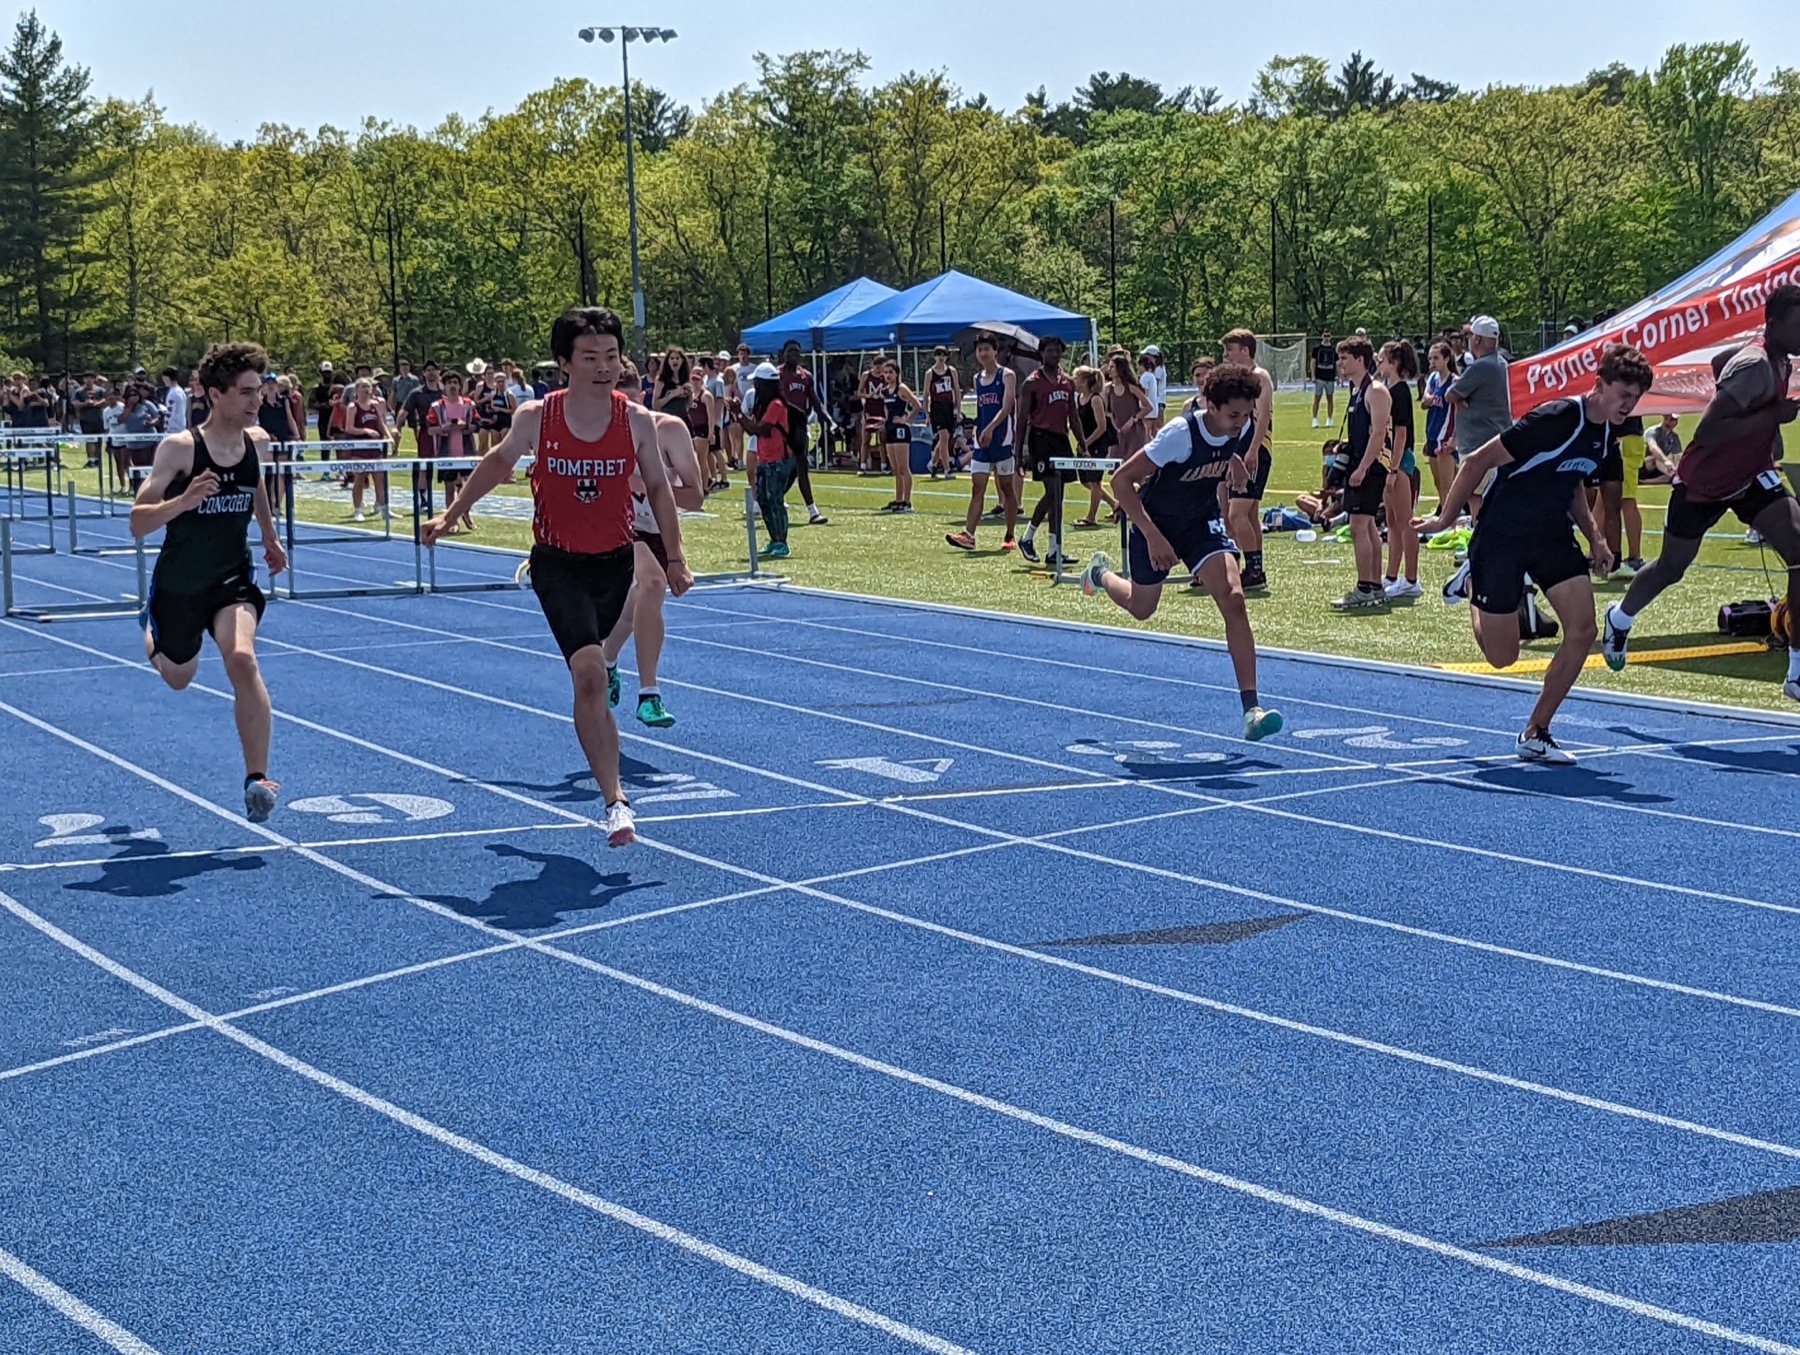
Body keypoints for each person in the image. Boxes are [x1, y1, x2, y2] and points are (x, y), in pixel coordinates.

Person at [423, 306, 692, 847]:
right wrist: (452, 514)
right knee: (590, 673)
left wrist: (675, 555)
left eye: (612, 357)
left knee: (601, 658)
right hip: (558, 564)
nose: (603, 366)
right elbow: (498, 464)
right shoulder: (536, 417)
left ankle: (615, 777)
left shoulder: (636, 420)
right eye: (590, 357)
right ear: (566, 363)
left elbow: (661, 490)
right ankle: (616, 801)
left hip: (615, 560)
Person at [1420, 344, 1651, 762]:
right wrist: (1444, 518)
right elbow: (1476, 460)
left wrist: (1596, 538)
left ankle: (1537, 730)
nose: (1629, 405)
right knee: (1503, 657)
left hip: (1551, 537)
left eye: (1635, 399)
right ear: (1599, 385)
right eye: (1623, 395)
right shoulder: (1556, 417)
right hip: (1502, 535)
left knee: (1582, 630)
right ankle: (1472, 582)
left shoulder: (1605, 435)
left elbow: (1572, 483)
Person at [1604, 286, 1800, 695]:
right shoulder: (1755, 365)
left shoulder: (1778, 358)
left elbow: (1719, 361)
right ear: (1774, 324)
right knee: (1671, 568)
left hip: (1751, 476)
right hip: (1705, 481)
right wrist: (1771, 415)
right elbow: (1709, 431)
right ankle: (1620, 618)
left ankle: (1797, 670)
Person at [1080, 363, 1283, 742]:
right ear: (1211, 407)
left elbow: (1227, 446)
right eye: (1233, 415)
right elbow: (1121, 480)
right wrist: (1154, 537)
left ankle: (1251, 710)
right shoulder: (1179, 434)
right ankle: (1100, 576)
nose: (1241, 423)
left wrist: (1235, 463)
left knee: (1234, 599)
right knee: (1143, 608)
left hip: (1200, 522)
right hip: (1155, 521)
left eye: (1247, 415)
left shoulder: (1239, 429)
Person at [129, 343, 288, 821]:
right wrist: (186, 500)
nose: (254, 400)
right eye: (244, 392)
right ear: (214, 395)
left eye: (257, 391)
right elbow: (138, 522)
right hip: (180, 582)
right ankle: (151, 630)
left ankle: (257, 779)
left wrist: (269, 536)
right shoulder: (180, 448)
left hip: (231, 576)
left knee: (241, 657)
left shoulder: (256, 441)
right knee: (179, 678)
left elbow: (255, 483)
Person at [600, 359, 706, 729]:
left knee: (640, 602)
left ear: (643, 397)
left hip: (658, 525)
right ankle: (650, 694)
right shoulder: (595, 431)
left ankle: (608, 660)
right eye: (617, 403)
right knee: (653, 584)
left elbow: (696, 497)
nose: (624, 412)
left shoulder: (669, 430)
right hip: (616, 525)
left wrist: (655, 485)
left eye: (631, 402)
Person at [1330, 336, 1394, 610]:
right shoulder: (1357, 391)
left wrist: (1363, 467)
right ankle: (1375, 585)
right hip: (1360, 463)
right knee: (1367, 525)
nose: (1340, 363)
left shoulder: (1375, 391)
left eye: (1345, 358)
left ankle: (1364, 587)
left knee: (1358, 526)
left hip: (1371, 466)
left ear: (1360, 360)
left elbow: (1379, 433)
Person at [945, 332, 1019, 552]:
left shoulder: (1007, 375)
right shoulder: (978, 379)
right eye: (980, 350)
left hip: (1002, 439)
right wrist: (979, 429)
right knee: (978, 487)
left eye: (987, 349)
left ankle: (1010, 534)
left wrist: (991, 428)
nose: (984, 353)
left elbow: (1007, 407)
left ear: (995, 351)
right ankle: (969, 535)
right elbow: (981, 408)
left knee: (1007, 489)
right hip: (982, 442)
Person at [1221, 329, 1276, 591]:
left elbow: (1263, 416)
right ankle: (1255, 570)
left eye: (1229, 350)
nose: (1226, 356)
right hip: (1241, 450)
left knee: (1236, 512)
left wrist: (1252, 450)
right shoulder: (1238, 379)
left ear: (1245, 350)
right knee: (1250, 513)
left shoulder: (1259, 377)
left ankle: (1253, 569)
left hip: (1254, 450)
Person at [1015, 335, 1077, 566]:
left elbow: (1074, 416)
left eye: (1057, 351)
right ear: (1041, 353)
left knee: (1059, 496)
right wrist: (1019, 452)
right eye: (1050, 351)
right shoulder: (1032, 382)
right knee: (1052, 491)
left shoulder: (1067, 382)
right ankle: (1028, 536)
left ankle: (1054, 549)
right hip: (1041, 439)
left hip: (1061, 438)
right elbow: (1022, 419)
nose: (1054, 354)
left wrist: (1083, 443)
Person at [1447, 315, 1512, 519]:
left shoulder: (1481, 366)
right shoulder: (1500, 363)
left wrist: (1458, 397)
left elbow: (1450, 394)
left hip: (1480, 445)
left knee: (1479, 499)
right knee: (1480, 498)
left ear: (1477, 339)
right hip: (1493, 441)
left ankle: (1482, 548)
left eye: (1470, 336)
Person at [739, 361, 796, 557]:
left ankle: (782, 542)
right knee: (763, 500)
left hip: (778, 459)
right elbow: (752, 430)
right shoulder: (763, 405)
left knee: (775, 500)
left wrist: (739, 414)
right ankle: (775, 539)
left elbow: (761, 430)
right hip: (766, 458)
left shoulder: (776, 405)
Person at [1379, 340, 1422, 598]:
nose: (1379, 364)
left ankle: (1412, 579)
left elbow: (1401, 434)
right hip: (1390, 462)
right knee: (1392, 522)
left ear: (1394, 363)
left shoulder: (1400, 392)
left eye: (1383, 360)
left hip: (1400, 461)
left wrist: (1394, 470)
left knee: (1406, 522)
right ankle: (1392, 575)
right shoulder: (1389, 390)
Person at [776, 340, 830, 525]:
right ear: (784, 353)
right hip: (781, 426)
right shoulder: (778, 375)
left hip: (799, 427)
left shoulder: (805, 376)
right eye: (790, 351)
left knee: (801, 467)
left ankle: (812, 511)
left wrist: (827, 419)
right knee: (781, 467)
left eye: (797, 352)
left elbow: (814, 399)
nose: (794, 355)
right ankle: (768, 499)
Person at [426, 371, 478, 533]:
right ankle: (451, 520)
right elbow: (429, 430)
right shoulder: (437, 406)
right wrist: (444, 428)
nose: (453, 386)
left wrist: (465, 427)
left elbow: (477, 425)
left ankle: (466, 512)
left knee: (468, 488)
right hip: (446, 453)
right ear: (444, 386)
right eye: (449, 383)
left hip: (466, 452)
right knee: (450, 488)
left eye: (456, 383)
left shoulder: (469, 404)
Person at [1104, 352, 1153, 519]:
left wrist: (1133, 419)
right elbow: (1104, 408)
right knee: (1116, 471)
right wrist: (1110, 418)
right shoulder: (1107, 388)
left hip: (1134, 433)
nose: (1109, 370)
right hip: (1117, 435)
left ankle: (1146, 502)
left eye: (1112, 367)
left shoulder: (1130, 387)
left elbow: (1148, 407)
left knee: (1136, 472)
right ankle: (1121, 507)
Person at [1071, 365, 1119, 525]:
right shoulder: (1079, 399)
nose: (1074, 381)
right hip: (1084, 444)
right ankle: (1114, 504)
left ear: (1085, 381)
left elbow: (1101, 427)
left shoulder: (1096, 399)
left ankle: (1091, 517)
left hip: (1097, 444)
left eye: (1076, 378)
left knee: (1095, 481)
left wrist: (1087, 443)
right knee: (1085, 480)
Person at [341, 377, 392, 522]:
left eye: (368, 386)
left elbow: (381, 423)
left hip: (376, 448)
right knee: (360, 478)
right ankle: (358, 509)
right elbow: (349, 428)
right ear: (356, 390)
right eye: (362, 387)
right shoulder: (353, 407)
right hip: (360, 448)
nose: (366, 390)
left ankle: (381, 506)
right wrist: (366, 431)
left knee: (380, 478)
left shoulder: (375, 405)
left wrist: (389, 437)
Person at [1420, 340, 1458, 506]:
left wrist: (1455, 439)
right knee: (1437, 482)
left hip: (1445, 436)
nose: (1432, 362)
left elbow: (1460, 411)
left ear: (1446, 359)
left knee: (1447, 485)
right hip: (1432, 433)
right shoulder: (1433, 379)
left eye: (1436, 358)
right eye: (1430, 359)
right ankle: (1447, 515)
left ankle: (1450, 520)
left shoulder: (1455, 381)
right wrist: (1428, 400)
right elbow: (1423, 403)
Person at [924, 347, 962, 480]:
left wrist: (958, 408)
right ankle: (947, 469)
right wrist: (926, 413)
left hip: (949, 407)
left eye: (944, 355)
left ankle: (933, 463)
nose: (941, 357)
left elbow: (956, 390)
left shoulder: (951, 371)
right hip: (937, 408)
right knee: (944, 437)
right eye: (939, 355)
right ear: (934, 356)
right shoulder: (930, 373)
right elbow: (926, 394)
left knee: (945, 438)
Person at [1311, 330, 1339, 427]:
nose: (1326, 338)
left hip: (1330, 377)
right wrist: (1313, 375)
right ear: (1322, 336)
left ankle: (1330, 419)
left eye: (1328, 336)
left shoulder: (1334, 350)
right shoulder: (1317, 349)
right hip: (1319, 377)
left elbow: (1336, 363)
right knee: (1317, 398)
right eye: (1325, 336)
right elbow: (1313, 362)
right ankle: (1315, 419)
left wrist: (1338, 375)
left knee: (1330, 399)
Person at [1137, 345, 1167, 429]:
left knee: (1158, 426)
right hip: (1156, 400)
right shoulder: (1154, 370)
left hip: (1158, 400)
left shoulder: (1159, 369)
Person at [161, 367, 189, 435]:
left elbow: (170, 413)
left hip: (173, 430)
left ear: (167, 378)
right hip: (182, 427)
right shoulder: (181, 391)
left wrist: (165, 427)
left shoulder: (173, 393)